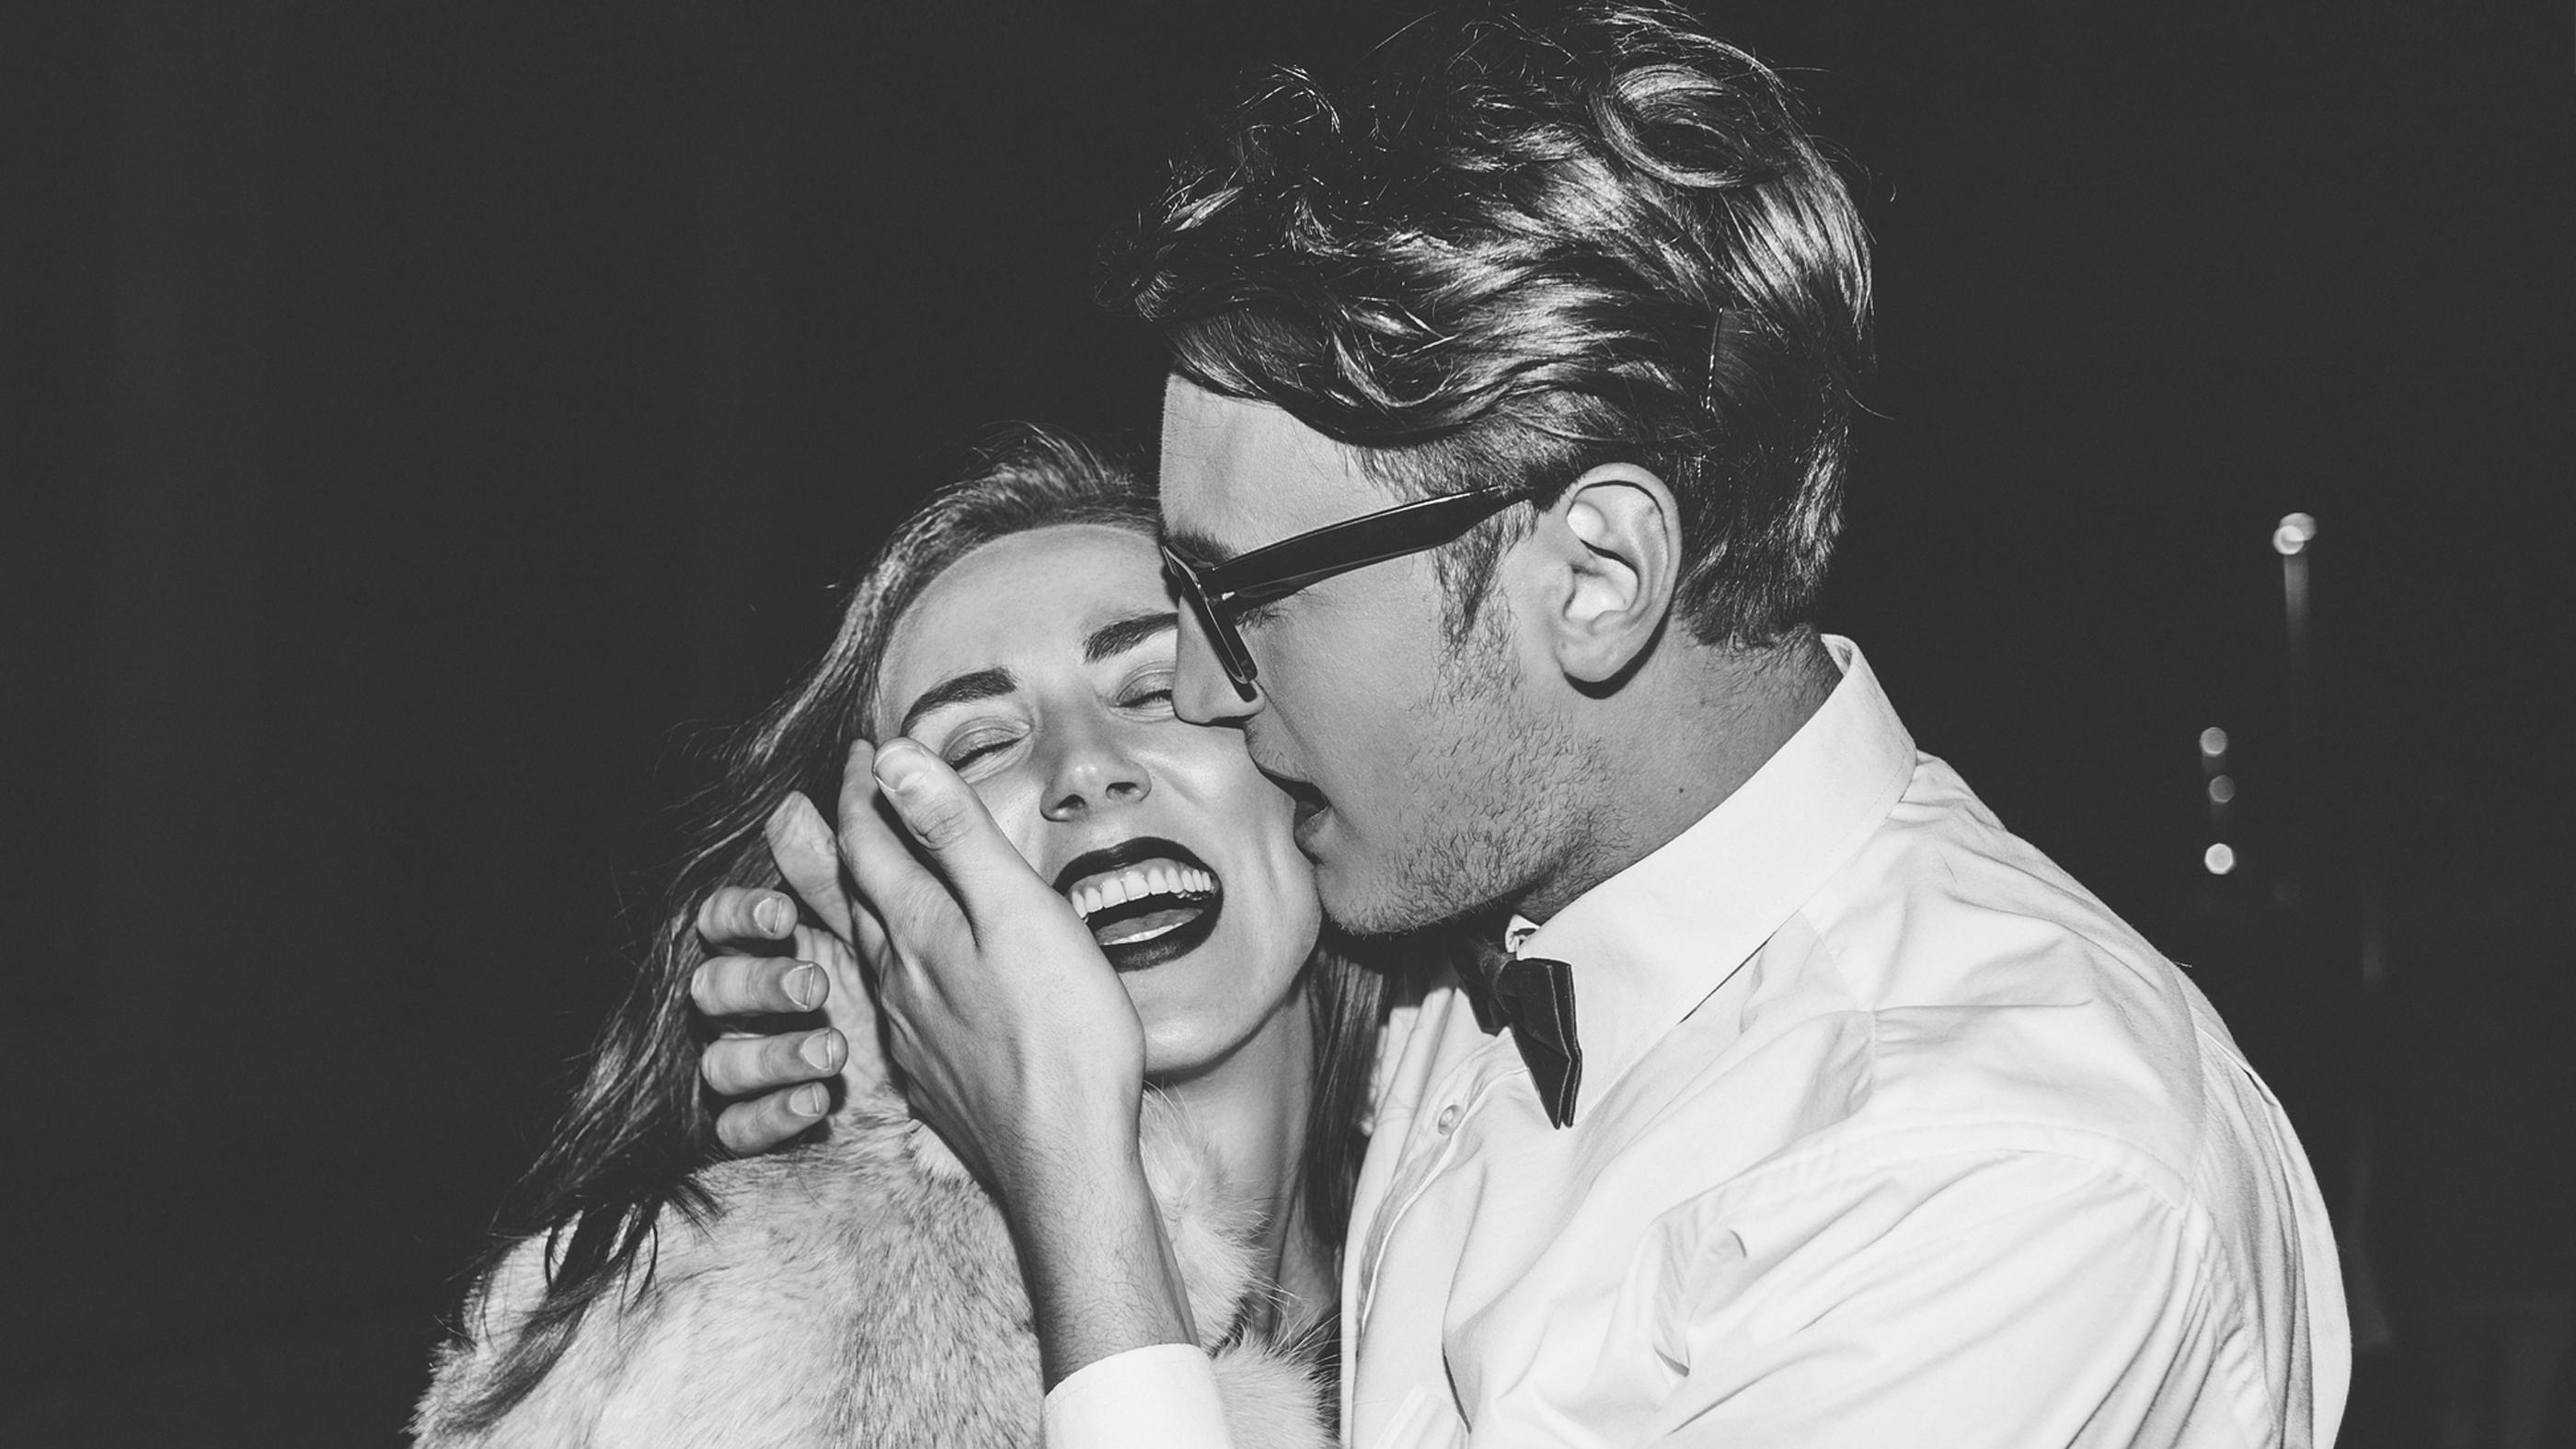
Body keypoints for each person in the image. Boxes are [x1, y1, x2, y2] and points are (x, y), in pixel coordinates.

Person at [702, 4, 2351, 1445]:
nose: (1209, 690)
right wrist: (862, 1019)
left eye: (1246, 601)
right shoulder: (1463, 939)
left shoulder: (2005, 1186)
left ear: (1596, 573)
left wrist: (1065, 1168)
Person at [412, 426, 1386, 1447]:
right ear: (884, 883)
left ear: (1300, 755)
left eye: (1153, 689)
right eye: (978, 744)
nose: (1083, 768)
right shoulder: (697, 1340)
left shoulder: (1502, 1211)